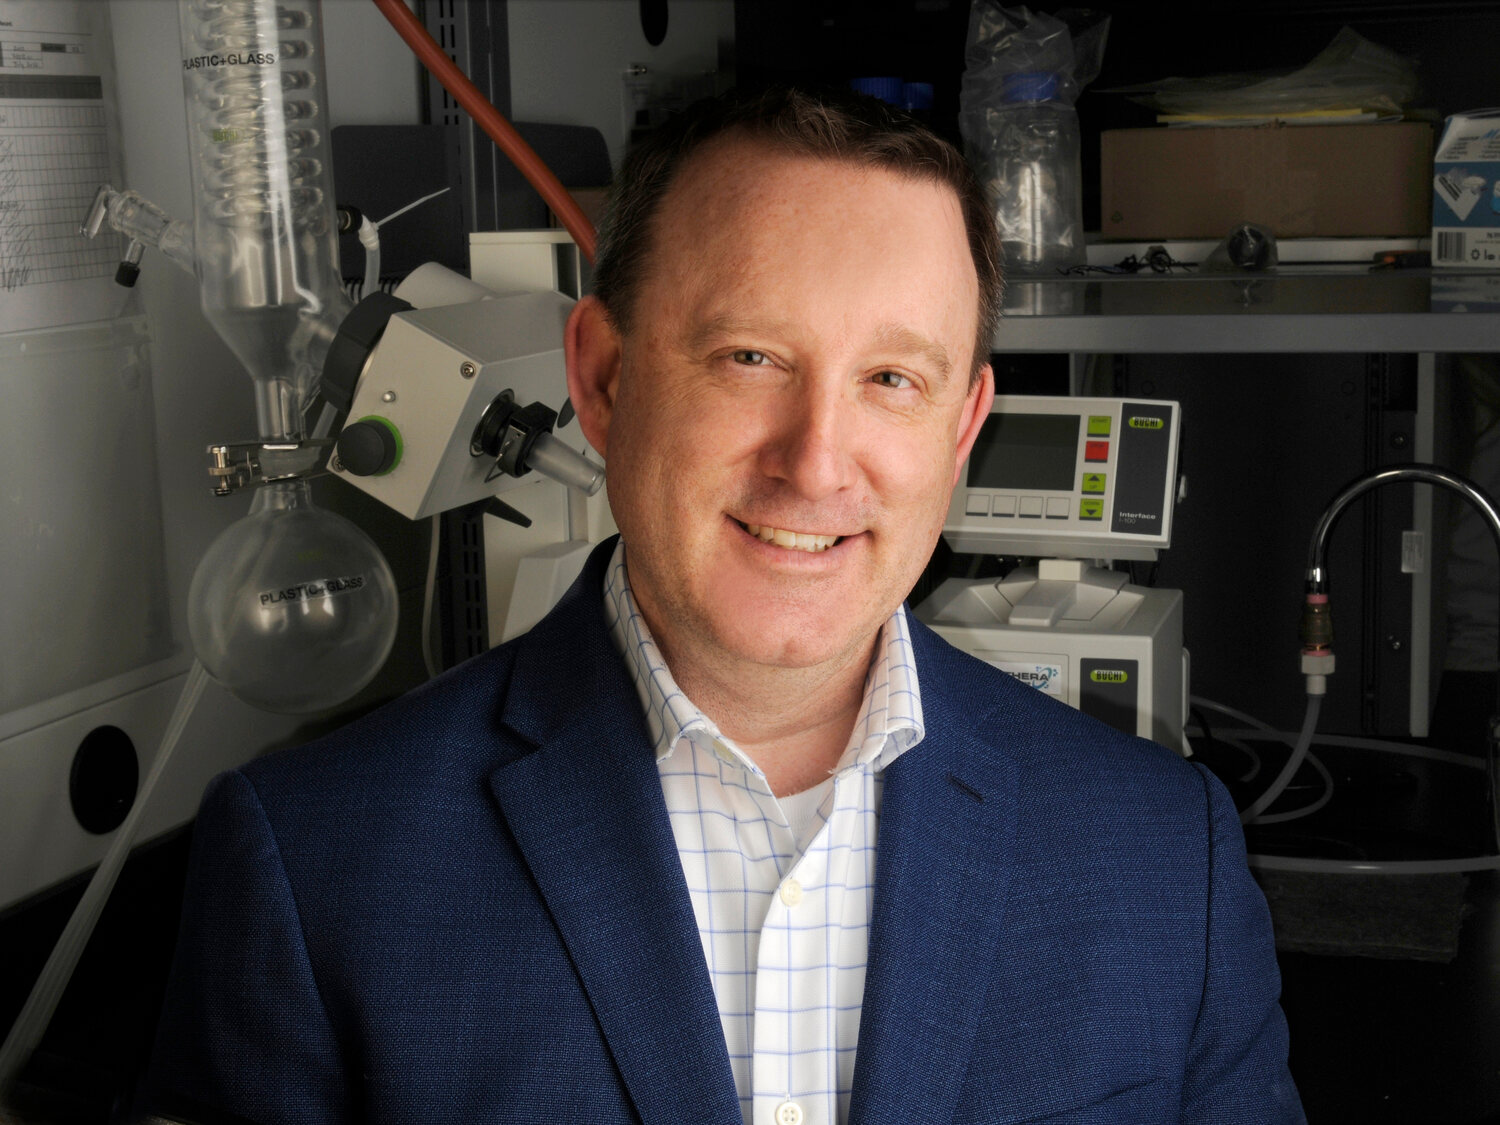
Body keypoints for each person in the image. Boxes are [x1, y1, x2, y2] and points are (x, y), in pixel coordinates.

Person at [149, 86, 1304, 1125]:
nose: (815, 463)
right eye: (750, 357)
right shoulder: (317, 868)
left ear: (961, 429)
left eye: (891, 380)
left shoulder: (1164, 861)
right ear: (603, 381)